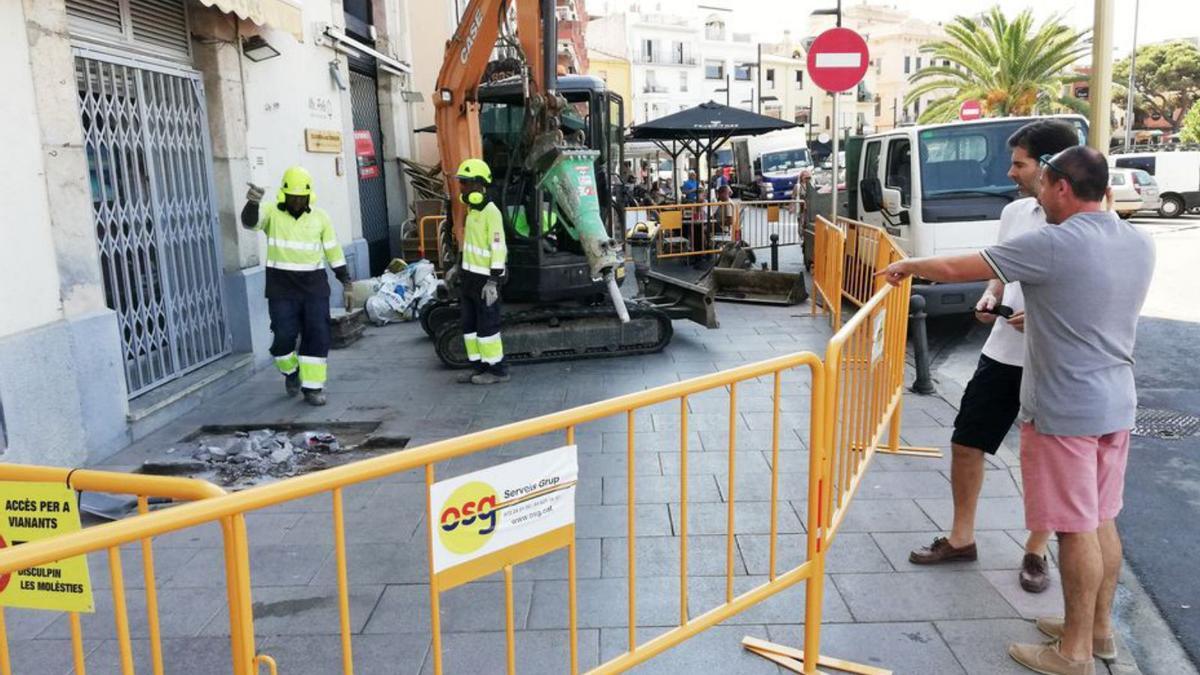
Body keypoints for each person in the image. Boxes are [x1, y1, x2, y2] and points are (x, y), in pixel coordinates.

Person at [878, 145, 1154, 675]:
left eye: (1044, 184)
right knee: (1102, 519)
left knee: (1074, 528)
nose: (1038, 195)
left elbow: (962, 264)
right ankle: (1097, 631)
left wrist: (909, 263)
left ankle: (1072, 653)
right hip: (1116, 400)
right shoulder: (1137, 241)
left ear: (1063, 189)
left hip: (1064, 407)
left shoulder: (1054, 242)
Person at [908, 120, 1080, 597]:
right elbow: (998, 270)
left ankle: (1037, 549)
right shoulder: (1017, 213)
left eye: (1019, 163)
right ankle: (961, 538)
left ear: (1050, 168)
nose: (1010, 172)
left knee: (1043, 460)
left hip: (1053, 364)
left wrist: (1045, 318)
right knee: (967, 442)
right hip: (1002, 353)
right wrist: (990, 295)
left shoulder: (1088, 225)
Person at [242, 167, 352, 407]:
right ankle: (291, 372)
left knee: (318, 335)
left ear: (308, 196)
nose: (297, 201)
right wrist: (252, 203)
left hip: (313, 286)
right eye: (292, 197)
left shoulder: (320, 217)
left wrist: (345, 279)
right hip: (281, 287)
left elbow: (333, 249)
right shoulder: (271, 212)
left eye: (301, 197)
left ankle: (312, 388)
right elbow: (250, 224)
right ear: (284, 194)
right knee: (283, 337)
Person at [453, 158, 509, 385]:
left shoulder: (490, 212)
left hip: (486, 281)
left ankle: (497, 371)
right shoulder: (472, 210)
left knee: (488, 326)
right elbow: (471, 246)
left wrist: (493, 281)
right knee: (470, 325)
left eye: (465, 183)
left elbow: (498, 248)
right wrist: (458, 268)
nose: (462, 188)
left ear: (478, 184)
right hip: (469, 278)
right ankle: (478, 367)